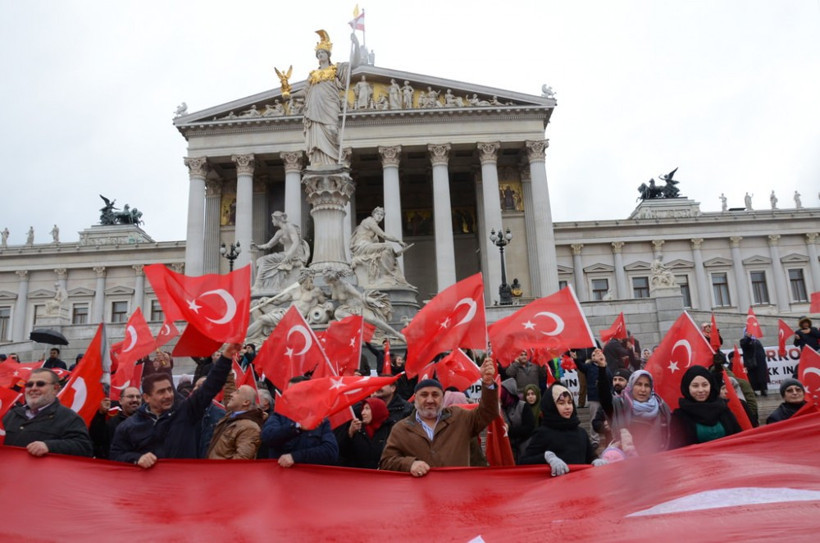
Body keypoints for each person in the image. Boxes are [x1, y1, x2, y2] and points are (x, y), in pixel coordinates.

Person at [110, 344, 236, 467]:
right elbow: (116, 455)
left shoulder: (185, 413)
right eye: (161, 392)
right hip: (149, 486)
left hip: (183, 482)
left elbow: (209, 387)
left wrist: (225, 357)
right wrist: (137, 459)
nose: (168, 395)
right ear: (146, 397)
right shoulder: (128, 426)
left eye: (169, 389)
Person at [379, 357, 498, 475]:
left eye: (435, 395)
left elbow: (488, 412)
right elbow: (386, 462)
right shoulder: (401, 429)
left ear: (443, 397)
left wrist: (488, 384)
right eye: (424, 395)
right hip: (420, 492)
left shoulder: (460, 417)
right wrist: (410, 464)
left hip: (456, 490)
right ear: (415, 398)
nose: (430, 400)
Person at [519, 383, 608, 475]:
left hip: (580, 485)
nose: (567, 407)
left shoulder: (581, 433)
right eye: (561, 403)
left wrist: (596, 460)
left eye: (569, 402)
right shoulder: (543, 433)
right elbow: (524, 462)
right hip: (555, 487)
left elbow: (590, 456)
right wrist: (547, 458)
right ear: (551, 406)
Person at [595, 349, 672, 454]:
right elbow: (605, 398)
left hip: (657, 461)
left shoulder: (661, 407)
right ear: (631, 386)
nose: (643, 389)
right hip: (629, 465)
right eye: (638, 384)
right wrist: (602, 368)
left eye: (647, 385)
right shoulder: (620, 405)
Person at [2, 368, 92, 457]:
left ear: (55, 389)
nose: (33, 388)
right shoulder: (11, 414)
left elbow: (84, 447)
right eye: (29, 384)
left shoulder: (70, 418)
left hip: (42, 471)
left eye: (40, 384)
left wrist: (49, 446)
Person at [260, 376, 339, 467]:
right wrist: (297, 427)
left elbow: (331, 452)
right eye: (288, 392)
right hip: (280, 476)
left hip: (309, 477)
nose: (289, 396)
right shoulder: (279, 416)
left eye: (295, 392)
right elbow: (267, 437)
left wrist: (295, 457)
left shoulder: (321, 421)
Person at [300, 30, 350, 167]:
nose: (320, 55)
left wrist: (356, 44)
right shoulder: (313, 74)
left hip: (330, 106)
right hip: (315, 109)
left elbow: (354, 65)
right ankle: (319, 162)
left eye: (322, 53)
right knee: (318, 136)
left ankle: (333, 161)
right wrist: (288, 94)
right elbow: (304, 92)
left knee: (332, 131)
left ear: (328, 54)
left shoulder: (335, 69)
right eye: (318, 54)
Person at [669, 366, 742, 448]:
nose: (701, 390)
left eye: (705, 385)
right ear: (687, 388)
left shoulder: (723, 409)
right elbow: (676, 448)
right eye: (695, 386)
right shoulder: (679, 417)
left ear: (711, 386)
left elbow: (738, 437)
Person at [350, 207, 411, 288]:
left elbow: (378, 245)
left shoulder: (374, 234)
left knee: (386, 251)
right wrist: (398, 241)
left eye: (382, 215)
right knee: (387, 246)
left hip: (367, 246)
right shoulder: (369, 221)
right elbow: (384, 235)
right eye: (377, 214)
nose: (379, 216)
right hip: (362, 246)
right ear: (373, 214)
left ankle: (394, 278)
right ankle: (387, 275)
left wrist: (392, 254)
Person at [251, 211, 310, 292]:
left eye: (273, 219)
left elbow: (296, 242)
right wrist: (257, 247)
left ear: (277, 219)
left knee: (264, 260)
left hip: (293, 256)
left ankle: (258, 285)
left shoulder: (289, 227)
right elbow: (268, 245)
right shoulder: (279, 232)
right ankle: (262, 285)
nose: (272, 221)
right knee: (260, 260)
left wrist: (289, 255)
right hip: (284, 255)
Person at [207, 385, 266, 460]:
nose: (232, 394)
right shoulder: (231, 416)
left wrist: (221, 470)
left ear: (246, 402)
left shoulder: (250, 428)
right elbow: (229, 391)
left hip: (221, 471)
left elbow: (241, 460)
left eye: (237, 392)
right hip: (212, 468)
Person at [337, 397, 393, 469]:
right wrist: (350, 433)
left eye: (367, 409)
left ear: (377, 410)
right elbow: (343, 453)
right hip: (357, 476)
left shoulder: (391, 429)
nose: (363, 413)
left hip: (381, 476)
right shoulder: (357, 428)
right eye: (363, 409)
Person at [500, 378, 535, 461]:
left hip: (525, 448)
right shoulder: (500, 409)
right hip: (509, 450)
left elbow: (529, 428)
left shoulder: (523, 406)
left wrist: (509, 430)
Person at [739, 328, 768, 396]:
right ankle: (753, 391)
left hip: (760, 362)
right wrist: (748, 338)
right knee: (752, 377)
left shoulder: (756, 341)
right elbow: (744, 345)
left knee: (761, 376)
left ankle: (763, 390)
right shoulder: (743, 340)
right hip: (750, 362)